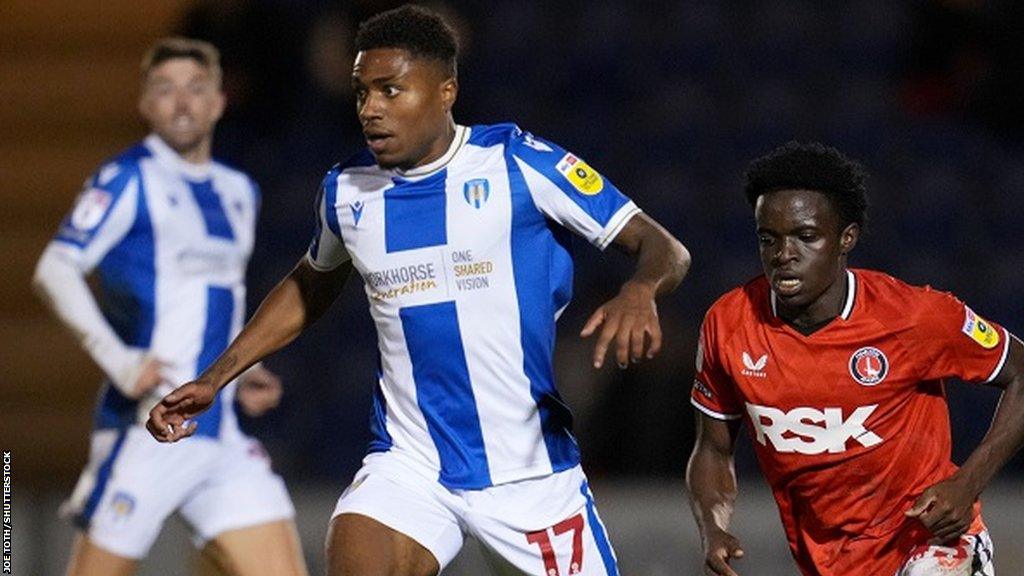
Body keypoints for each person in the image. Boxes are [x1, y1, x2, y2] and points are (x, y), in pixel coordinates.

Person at [146, 5, 690, 576]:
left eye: (390, 90)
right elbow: (311, 282)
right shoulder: (348, 191)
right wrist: (214, 377)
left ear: (446, 90)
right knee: (358, 550)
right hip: (411, 464)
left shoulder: (519, 164)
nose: (370, 110)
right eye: (361, 93)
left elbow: (665, 248)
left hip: (529, 473)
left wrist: (641, 289)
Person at [32, 38, 308, 576]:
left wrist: (240, 368)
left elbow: (216, 298)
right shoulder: (127, 178)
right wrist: (121, 362)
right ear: (145, 105)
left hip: (218, 428)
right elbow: (54, 270)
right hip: (148, 426)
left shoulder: (238, 191)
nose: (182, 102)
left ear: (219, 102)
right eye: (165, 90)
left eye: (195, 89)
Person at [686, 141, 1024, 576]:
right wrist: (712, 527)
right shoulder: (728, 324)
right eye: (768, 239)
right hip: (829, 561)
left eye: (806, 237)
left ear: (847, 238)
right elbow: (712, 450)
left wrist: (967, 482)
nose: (783, 255)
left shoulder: (916, 316)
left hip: (929, 543)